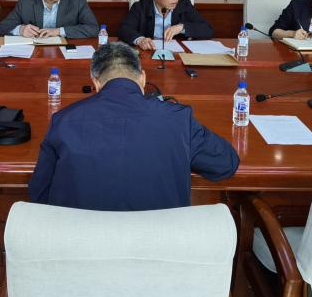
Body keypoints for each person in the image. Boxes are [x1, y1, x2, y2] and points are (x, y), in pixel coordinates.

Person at [28, 42, 239, 211]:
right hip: (161, 247)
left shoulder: (64, 120)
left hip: (84, 246)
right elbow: (225, 163)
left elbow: (40, 195)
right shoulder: (177, 118)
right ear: (143, 78)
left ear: (96, 82)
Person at [116, 0, 214, 50]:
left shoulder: (184, 6)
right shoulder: (140, 7)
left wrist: (182, 27)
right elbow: (124, 29)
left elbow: (208, 29)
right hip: (149, 52)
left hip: (177, 55)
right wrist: (140, 40)